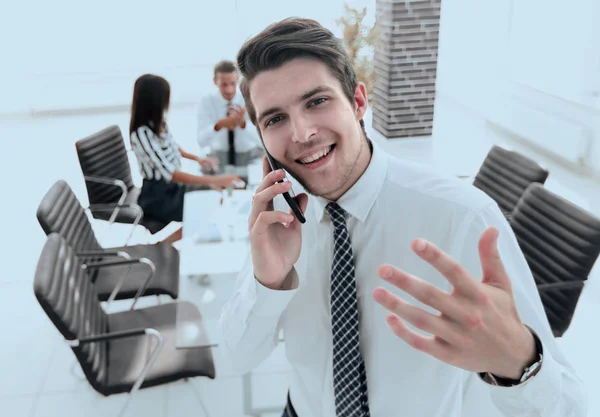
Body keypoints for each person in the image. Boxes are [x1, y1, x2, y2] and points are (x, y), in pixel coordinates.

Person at [218, 18, 586, 417]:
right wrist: (268, 282)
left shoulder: (462, 217)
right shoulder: (280, 222)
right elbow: (237, 359)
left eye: (317, 101)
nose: (302, 133)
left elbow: (569, 408)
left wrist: (519, 363)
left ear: (358, 102)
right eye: (275, 119)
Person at [129, 74, 243, 243]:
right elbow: (170, 173)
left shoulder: (159, 124)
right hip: (157, 195)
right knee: (206, 204)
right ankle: (163, 246)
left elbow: (173, 146)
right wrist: (217, 179)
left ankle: (168, 244)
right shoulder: (141, 134)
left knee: (214, 196)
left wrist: (197, 159)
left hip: (171, 187)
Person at [196, 60, 263, 169]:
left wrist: (243, 124)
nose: (229, 90)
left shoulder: (248, 99)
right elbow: (201, 141)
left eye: (233, 83)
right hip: (218, 157)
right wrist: (218, 126)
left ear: (238, 80)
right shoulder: (207, 101)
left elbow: (262, 140)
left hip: (250, 156)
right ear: (215, 81)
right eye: (224, 84)